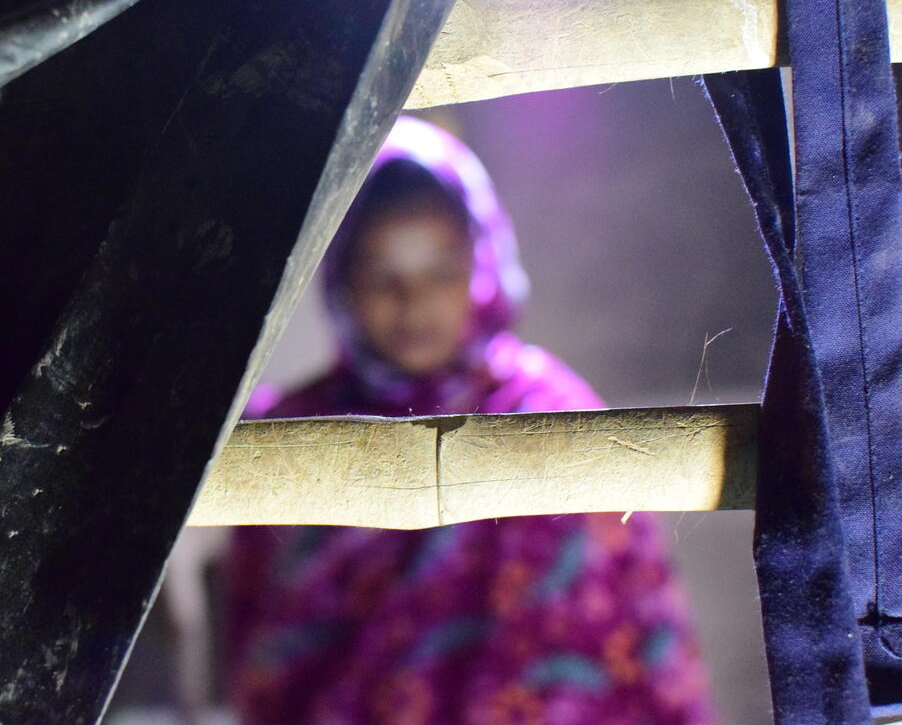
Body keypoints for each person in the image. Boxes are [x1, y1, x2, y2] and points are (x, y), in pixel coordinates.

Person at [223, 117, 716, 725]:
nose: (413, 302)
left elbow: (637, 628)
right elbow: (264, 651)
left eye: (441, 270)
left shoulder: (551, 413)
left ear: (480, 267)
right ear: (340, 279)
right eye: (381, 275)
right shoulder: (289, 434)